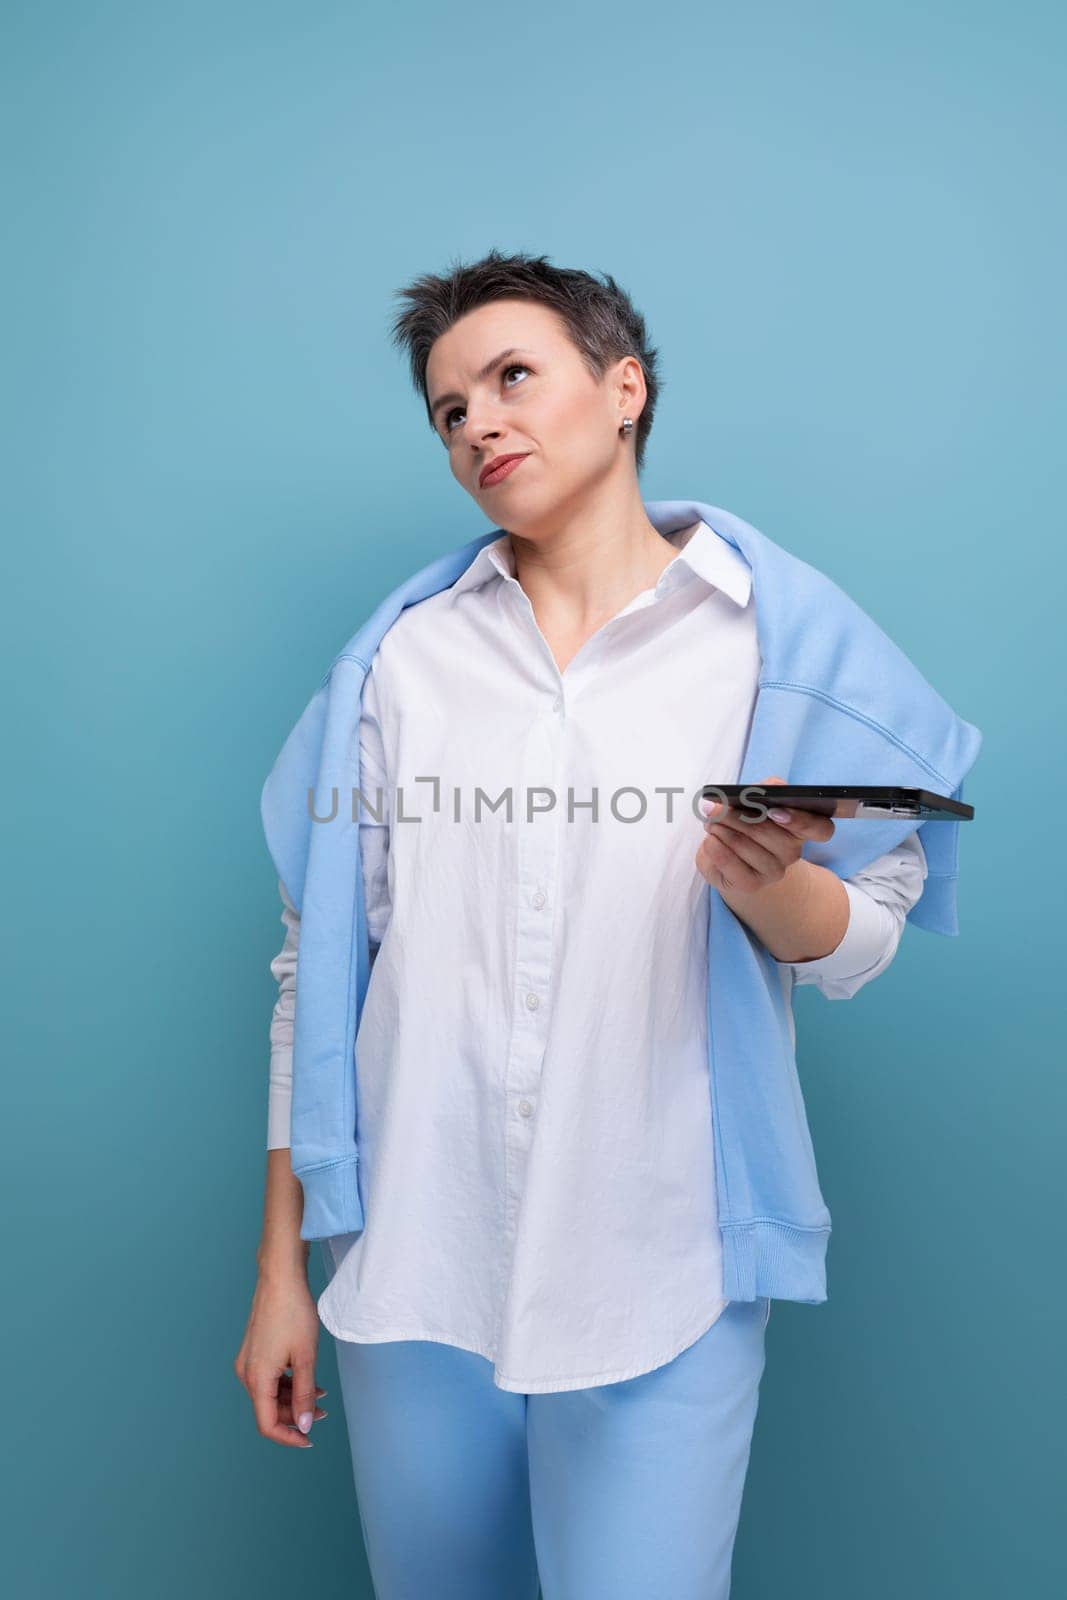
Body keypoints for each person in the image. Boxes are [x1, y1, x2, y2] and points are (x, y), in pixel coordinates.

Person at [235, 250, 973, 1599]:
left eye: (512, 377)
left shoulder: (767, 645)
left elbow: (864, 943)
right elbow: (315, 977)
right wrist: (282, 1268)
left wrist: (770, 888)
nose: (480, 426)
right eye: (450, 409)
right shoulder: (401, 665)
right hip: (412, 1259)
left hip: (662, 1258)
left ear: (621, 387)